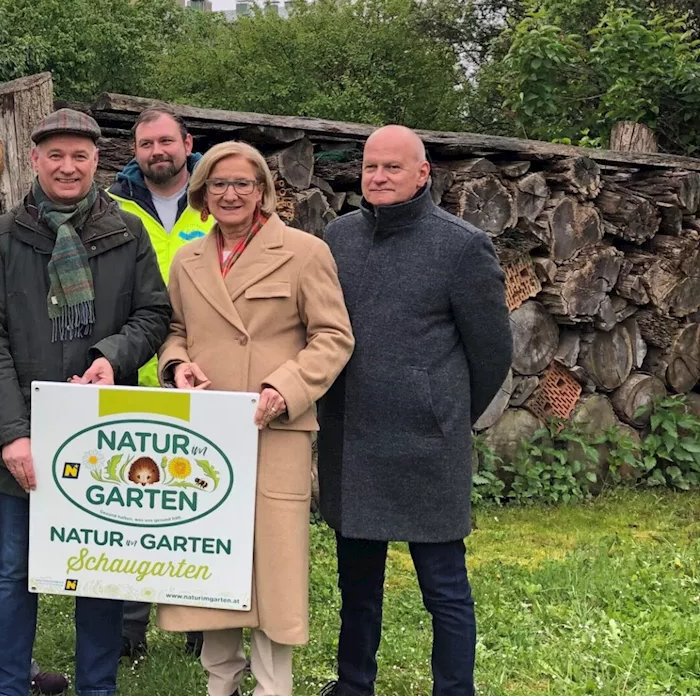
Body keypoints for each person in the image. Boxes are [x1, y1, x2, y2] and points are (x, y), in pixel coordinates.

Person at [0, 108, 172, 696]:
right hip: (27, 428)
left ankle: (97, 686)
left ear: (95, 162)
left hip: (105, 427)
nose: (67, 166)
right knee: (15, 572)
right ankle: (6, 686)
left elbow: (154, 313)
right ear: (35, 160)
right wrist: (11, 432)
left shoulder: (126, 231)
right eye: (54, 155)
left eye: (79, 156)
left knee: (100, 569)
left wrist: (115, 354)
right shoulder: (5, 235)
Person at [316, 125, 512, 696]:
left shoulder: (461, 245)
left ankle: (455, 690)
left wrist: (442, 409)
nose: (377, 177)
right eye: (370, 167)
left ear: (423, 173)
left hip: (428, 444)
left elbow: (492, 352)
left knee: (443, 586)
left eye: (392, 168)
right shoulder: (338, 237)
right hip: (352, 437)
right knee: (357, 584)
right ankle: (354, 684)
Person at [156, 141, 355, 696]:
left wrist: (285, 387)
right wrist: (177, 367)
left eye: (244, 183)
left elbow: (334, 337)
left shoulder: (304, 251)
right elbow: (174, 329)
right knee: (211, 557)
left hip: (275, 431)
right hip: (206, 434)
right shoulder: (187, 258)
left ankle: (273, 686)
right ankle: (221, 683)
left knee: (273, 565)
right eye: (219, 185)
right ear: (202, 194)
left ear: (264, 191)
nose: (231, 194)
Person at [106, 106, 211, 660]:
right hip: (132, 369)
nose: (157, 152)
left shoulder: (217, 197)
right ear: (135, 151)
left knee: (194, 493)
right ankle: (129, 623)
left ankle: (196, 615)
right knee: (132, 497)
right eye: (146, 144)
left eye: (166, 141)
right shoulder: (112, 205)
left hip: (201, 374)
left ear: (187, 143)